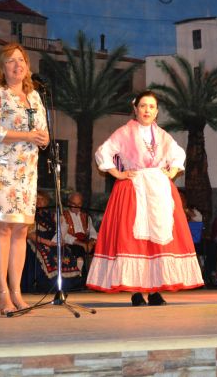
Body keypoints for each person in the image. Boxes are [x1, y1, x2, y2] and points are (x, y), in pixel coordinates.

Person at [87, 91, 204, 306]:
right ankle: (136, 291)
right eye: (143, 106)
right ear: (136, 109)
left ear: (157, 111)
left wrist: (173, 170)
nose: (147, 110)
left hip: (158, 190)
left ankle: (156, 289)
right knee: (136, 241)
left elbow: (178, 154)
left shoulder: (162, 135)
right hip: (134, 189)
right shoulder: (124, 133)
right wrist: (118, 174)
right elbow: (103, 152)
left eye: (151, 106)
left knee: (157, 242)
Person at [0, 42, 49, 315]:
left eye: (21, 60)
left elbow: (41, 131)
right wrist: (29, 136)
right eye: (10, 61)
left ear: (27, 67)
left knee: (21, 230)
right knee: (4, 228)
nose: (17, 65)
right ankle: (1, 292)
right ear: (1, 67)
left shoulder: (34, 97)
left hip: (26, 170)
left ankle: (17, 292)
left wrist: (42, 138)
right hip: (0, 168)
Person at [27, 191, 82, 283]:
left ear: (46, 202)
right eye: (37, 198)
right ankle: (49, 283)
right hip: (38, 240)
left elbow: (61, 229)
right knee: (47, 254)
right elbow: (29, 234)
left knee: (65, 252)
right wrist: (45, 242)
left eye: (42, 199)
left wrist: (61, 239)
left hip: (53, 240)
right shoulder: (30, 215)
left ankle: (70, 282)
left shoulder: (51, 215)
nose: (39, 201)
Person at [60, 192, 97, 273]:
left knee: (100, 249)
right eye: (74, 204)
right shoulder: (62, 216)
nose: (77, 207)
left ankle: (94, 277)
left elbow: (93, 233)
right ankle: (79, 277)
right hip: (72, 244)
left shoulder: (86, 216)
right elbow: (63, 235)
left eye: (79, 204)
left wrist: (90, 243)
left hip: (86, 243)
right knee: (78, 250)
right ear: (68, 203)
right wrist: (81, 244)